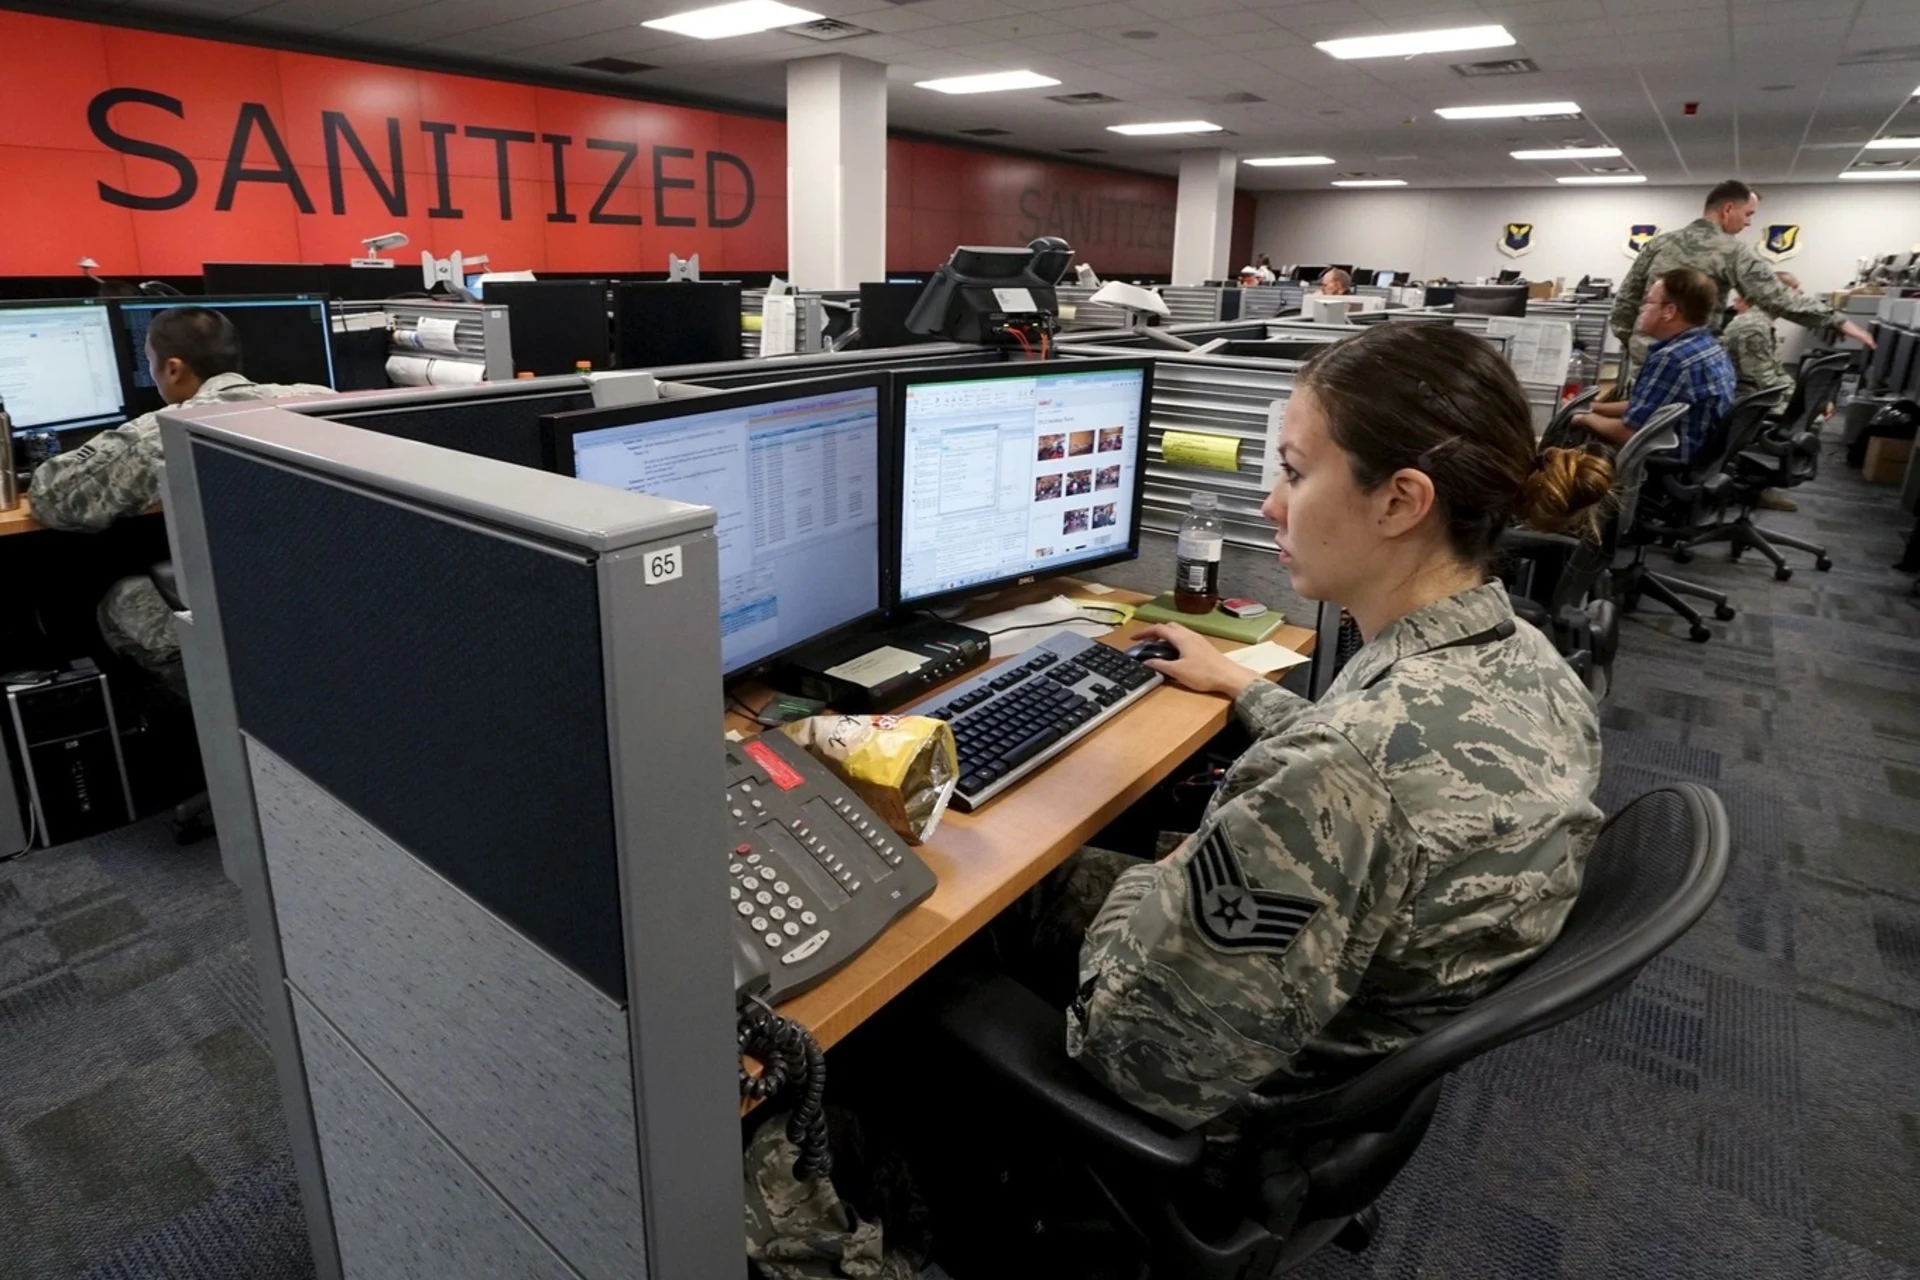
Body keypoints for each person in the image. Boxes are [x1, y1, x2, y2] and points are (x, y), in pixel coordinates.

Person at [1047, 322, 1610, 1132]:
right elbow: (1379, 759)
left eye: (1294, 472)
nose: (1269, 504)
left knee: (1003, 898)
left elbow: (1141, 1062)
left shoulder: (1343, 767)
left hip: (1242, 1094)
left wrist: (1166, 878)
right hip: (1363, 1035)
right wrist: (1241, 685)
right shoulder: (1526, 659)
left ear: (1400, 501)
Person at [30, 306, 331, 688]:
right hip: (334, 605)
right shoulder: (322, 401)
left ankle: (218, 704)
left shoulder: (162, 432)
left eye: (150, 363)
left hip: (251, 621)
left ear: (172, 368)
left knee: (122, 601)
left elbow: (52, 500)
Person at [1609, 180, 1874, 351]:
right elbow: (1777, 297)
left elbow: (1626, 300)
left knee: (1640, 419)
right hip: (1691, 358)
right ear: (1727, 209)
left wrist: (1634, 342)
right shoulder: (1731, 250)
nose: (1748, 222)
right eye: (1748, 214)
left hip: (1645, 353)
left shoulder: (1659, 243)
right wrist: (1837, 320)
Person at [1574, 268, 1735, 464]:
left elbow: (1630, 433)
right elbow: (1647, 406)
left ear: (1669, 311)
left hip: (1664, 462)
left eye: (1648, 302)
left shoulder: (1673, 359)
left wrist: (1582, 417)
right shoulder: (1708, 346)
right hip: (1700, 457)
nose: (1641, 309)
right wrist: (1594, 407)